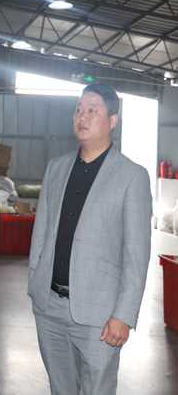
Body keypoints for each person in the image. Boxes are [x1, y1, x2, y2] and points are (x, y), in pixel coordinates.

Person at [28, 83, 152, 395]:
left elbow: (136, 255)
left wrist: (123, 315)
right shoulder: (56, 168)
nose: (82, 117)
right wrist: (35, 282)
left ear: (113, 121)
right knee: (61, 389)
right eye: (78, 110)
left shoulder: (132, 176)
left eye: (92, 111)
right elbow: (41, 232)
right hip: (50, 306)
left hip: (100, 315)